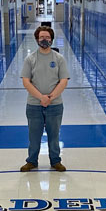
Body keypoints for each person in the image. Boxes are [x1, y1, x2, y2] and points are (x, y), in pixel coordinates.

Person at [20, 26, 70, 172]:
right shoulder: (30, 59)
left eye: (47, 37)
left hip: (55, 105)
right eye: (41, 37)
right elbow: (26, 81)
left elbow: (64, 81)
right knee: (34, 136)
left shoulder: (59, 59)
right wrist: (41, 97)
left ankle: (55, 161)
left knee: (54, 136)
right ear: (36, 39)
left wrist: (50, 98)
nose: (44, 40)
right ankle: (32, 161)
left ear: (52, 39)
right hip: (34, 105)